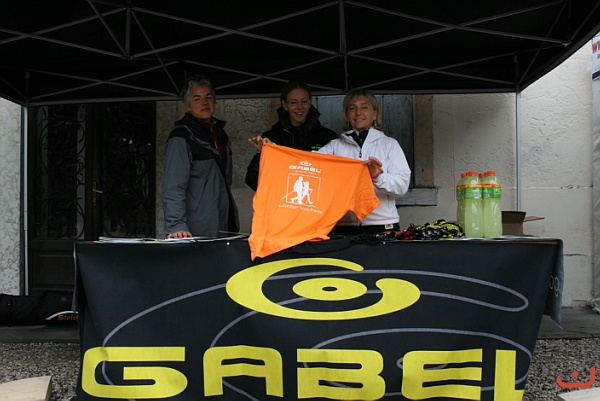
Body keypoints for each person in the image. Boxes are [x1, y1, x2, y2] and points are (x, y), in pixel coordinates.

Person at [316, 88, 411, 235]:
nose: (358, 112)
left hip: (382, 226)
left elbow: (402, 185)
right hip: (344, 227)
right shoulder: (335, 146)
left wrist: (378, 177)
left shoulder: (389, 144)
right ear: (347, 115)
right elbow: (310, 164)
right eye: (352, 108)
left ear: (375, 113)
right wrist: (278, 152)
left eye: (364, 107)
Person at [162, 75, 239, 238]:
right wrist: (176, 225)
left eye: (208, 97)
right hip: (193, 230)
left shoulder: (220, 134)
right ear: (188, 106)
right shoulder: (181, 137)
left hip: (223, 225)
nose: (204, 102)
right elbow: (173, 186)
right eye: (197, 99)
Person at [244, 80, 338, 191]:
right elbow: (252, 178)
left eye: (304, 101)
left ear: (310, 102)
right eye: (293, 102)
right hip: (282, 200)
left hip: (318, 199)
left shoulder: (328, 137)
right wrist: (270, 157)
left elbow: (337, 177)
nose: (299, 107)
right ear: (285, 105)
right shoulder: (271, 137)